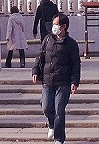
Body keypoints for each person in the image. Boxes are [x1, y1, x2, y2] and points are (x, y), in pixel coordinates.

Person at [33, 13, 81, 144]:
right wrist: (35, 71)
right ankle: (51, 124)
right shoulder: (48, 39)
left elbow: (76, 63)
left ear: (64, 27)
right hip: (47, 80)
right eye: (54, 24)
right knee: (46, 107)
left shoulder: (71, 44)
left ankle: (59, 139)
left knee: (59, 109)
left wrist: (75, 81)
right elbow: (40, 56)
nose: (54, 26)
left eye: (56, 24)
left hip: (63, 81)